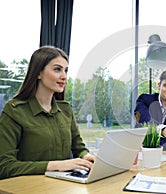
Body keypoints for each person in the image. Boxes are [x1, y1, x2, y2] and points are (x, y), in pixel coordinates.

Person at [0, 46, 96, 180]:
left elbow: (78, 148)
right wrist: (55, 165)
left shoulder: (65, 110)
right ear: (38, 73)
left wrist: (86, 156)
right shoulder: (15, 111)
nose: (64, 76)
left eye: (66, 70)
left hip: (63, 186)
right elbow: (4, 166)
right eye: (57, 69)